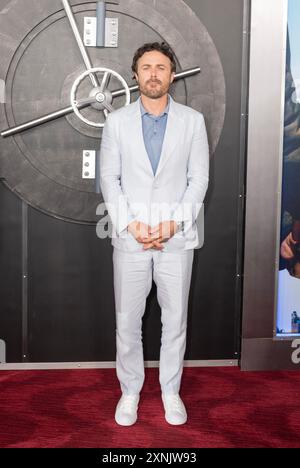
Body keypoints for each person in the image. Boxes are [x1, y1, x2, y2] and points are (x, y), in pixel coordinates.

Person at [100, 42, 209, 426]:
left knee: (174, 320)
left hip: (176, 240)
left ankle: (170, 392)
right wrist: (131, 224)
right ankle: (129, 392)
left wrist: (173, 223)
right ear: (135, 74)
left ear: (171, 75)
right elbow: (109, 180)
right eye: (145, 67)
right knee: (127, 321)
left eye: (160, 67)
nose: (152, 74)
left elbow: (199, 180)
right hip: (130, 239)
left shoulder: (193, 121)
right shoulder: (116, 122)